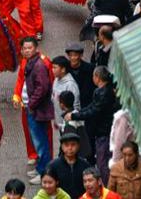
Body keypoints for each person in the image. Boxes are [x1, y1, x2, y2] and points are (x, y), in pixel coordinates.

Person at [65, 67, 117, 184]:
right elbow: (92, 106)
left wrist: (75, 116)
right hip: (102, 130)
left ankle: (107, 187)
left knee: (102, 161)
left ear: (97, 77)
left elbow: (94, 110)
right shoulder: (103, 91)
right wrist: (78, 114)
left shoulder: (103, 93)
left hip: (103, 131)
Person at [18, 38, 54, 185]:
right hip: (32, 108)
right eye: (24, 48)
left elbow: (42, 88)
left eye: (30, 48)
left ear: (36, 48)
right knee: (38, 140)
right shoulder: (30, 62)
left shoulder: (38, 65)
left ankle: (44, 172)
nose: (27, 50)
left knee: (41, 142)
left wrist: (31, 104)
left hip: (37, 110)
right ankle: (40, 167)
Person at [50, 131, 89, 199]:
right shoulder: (53, 166)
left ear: (78, 146)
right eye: (66, 145)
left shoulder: (85, 165)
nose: (70, 148)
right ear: (61, 146)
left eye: (73, 145)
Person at [64, 43, 95, 109]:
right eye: (70, 55)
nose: (73, 58)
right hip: (71, 104)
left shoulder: (90, 68)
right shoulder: (65, 69)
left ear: (81, 55)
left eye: (75, 55)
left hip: (87, 104)